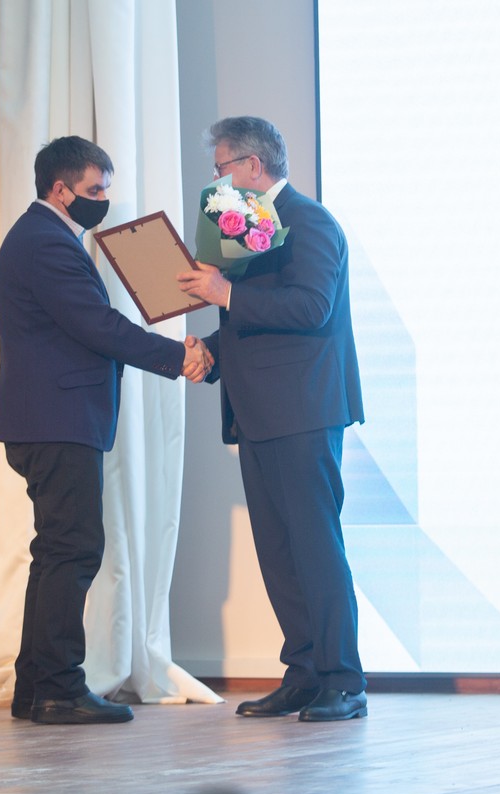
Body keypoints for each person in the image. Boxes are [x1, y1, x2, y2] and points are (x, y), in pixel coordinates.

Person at [0, 136, 212, 725]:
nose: (103, 200)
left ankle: (37, 687)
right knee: (72, 549)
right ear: (59, 189)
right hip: (56, 421)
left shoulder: (44, 237)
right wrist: (177, 356)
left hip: (49, 419)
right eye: (94, 190)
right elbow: (97, 325)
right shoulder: (46, 242)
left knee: (56, 552)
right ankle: (59, 689)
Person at [177, 116, 367, 722]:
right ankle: (305, 675)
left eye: (222, 169)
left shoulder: (310, 221)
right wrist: (211, 352)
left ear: (253, 167)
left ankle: (343, 680)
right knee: (280, 553)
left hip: (304, 411)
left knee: (315, 546)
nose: (217, 182)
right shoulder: (252, 229)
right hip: (260, 412)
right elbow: (254, 321)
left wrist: (226, 293)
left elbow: (311, 307)